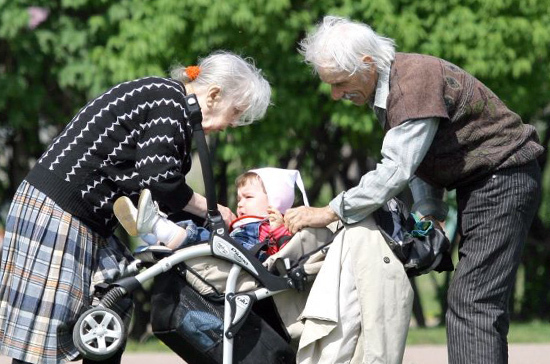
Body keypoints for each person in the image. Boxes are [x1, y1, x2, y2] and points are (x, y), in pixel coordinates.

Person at [285, 15, 543, 364]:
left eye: (340, 83)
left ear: (366, 64)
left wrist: (331, 211)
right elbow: (420, 160)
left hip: (502, 177)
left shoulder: (411, 83)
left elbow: (396, 169)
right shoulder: (395, 86)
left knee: (473, 302)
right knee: (474, 301)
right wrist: (431, 212)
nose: (335, 95)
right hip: (486, 181)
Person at [0, 51, 271, 364]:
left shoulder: (168, 104)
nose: (232, 124)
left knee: (113, 298)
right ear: (214, 95)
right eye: (235, 112)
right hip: (60, 210)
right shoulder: (169, 102)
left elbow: (156, 186)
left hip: (84, 217)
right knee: (46, 329)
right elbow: (161, 180)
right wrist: (212, 210)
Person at [115, 167, 309, 261]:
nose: (240, 204)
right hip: (232, 255)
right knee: (206, 234)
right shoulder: (243, 223)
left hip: (246, 259)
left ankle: (157, 229)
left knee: (204, 237)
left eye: (248, 197)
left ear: (274, 203)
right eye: (239, 198)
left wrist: (277, 230)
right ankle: (151, 233)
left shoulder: (275, 225)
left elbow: (281, 257)